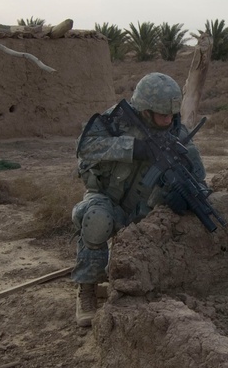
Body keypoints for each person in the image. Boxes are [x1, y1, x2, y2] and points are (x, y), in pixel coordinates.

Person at [71, 72, 208, 327]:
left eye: (171, 114)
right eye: (162, 114)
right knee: (97, 220)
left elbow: (199, 180)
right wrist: (133, 148)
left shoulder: (177, 133)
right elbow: (85, 147)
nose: (168, 120)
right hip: (106, 199)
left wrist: (182, 198)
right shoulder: (116, 120)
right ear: (145, 110)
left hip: (144, 210)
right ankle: (87, 289)